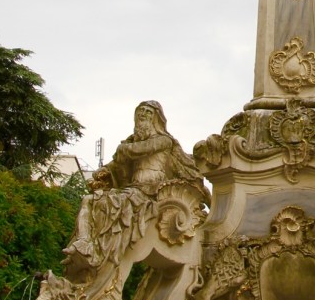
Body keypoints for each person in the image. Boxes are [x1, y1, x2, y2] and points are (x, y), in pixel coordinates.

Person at [64, 101, 209, 278]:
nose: (143, 115)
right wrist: (105, 170)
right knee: (89, 200)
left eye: (148, 112)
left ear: (156, 118)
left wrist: (122, 149)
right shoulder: (130, 144)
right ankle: (84, 242)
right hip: (132, 189)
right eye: (140, 112)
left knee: (114, 203)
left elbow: (138, 151)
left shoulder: (163, 141)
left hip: (150, 192)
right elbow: (117, 164)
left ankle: (101, 251)